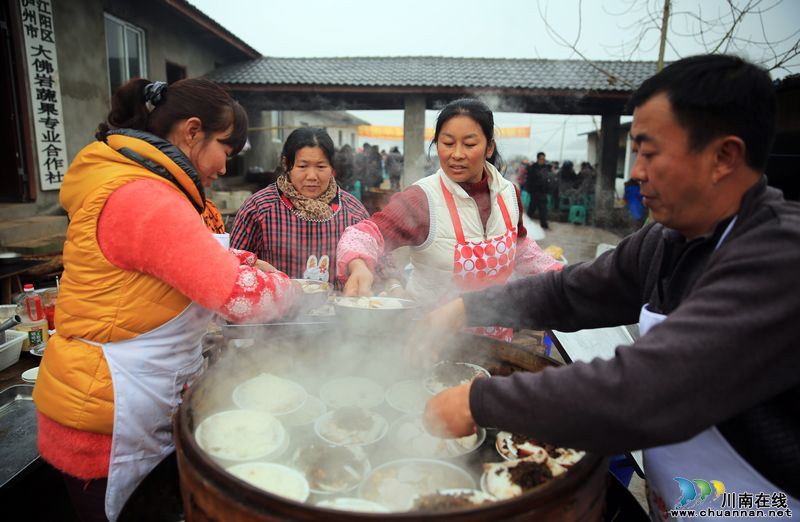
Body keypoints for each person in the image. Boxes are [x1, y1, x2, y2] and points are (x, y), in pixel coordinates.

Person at [420, 55, 800, 520]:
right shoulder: (667, 239)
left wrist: (478, 400)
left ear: (724, 157)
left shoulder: (780, 259)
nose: (635, 173)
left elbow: (651, 385)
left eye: (649, 152)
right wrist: (467, 307)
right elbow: (569, 292)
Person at [32, 78, 299, 522]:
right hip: (106, 419)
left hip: (119, 402)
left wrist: (247, 258)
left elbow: (188, 250)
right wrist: (293, 291)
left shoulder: (134, 183)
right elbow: (239, 298)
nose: (221, 167)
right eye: (225, 152)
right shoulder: (143, 196)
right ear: (192, 132)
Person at [337, 98, 561, 341]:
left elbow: (520, 247)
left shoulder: (508, 193)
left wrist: (563, 278)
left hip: (495, 340)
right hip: (429, 340)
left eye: (469, 144)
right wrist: (358, 264)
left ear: (489, 147)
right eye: (447, 143)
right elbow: (365, 234)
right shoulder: (423, 198)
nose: (456, 154)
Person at [230, 127, 373, 290]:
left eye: (320, 167)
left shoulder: (353, 212)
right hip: (275, 313)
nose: (312, 176)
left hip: (338, 312)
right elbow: (232, 266)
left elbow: (382, 269)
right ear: (286, 164)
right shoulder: (259, 209)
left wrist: (392, 285)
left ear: (332, 168)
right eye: (303, 166)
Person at [524, 151, 551, 228]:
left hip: (543, 192)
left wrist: (547, 188)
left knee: (543, 210)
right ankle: (525, 225)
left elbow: (547, 179)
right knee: (531, 209)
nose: (542, 160)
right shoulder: (532, 168)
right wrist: (530, 190)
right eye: (541, 159)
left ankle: (544, 225)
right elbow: (529, 180)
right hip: (534, 192)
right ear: (538, 159)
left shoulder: (546, 168)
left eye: (543, 159)